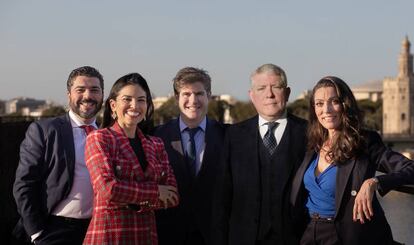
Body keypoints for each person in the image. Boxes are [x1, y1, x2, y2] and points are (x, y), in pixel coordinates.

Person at [290, 76, 414, 245]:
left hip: (345, 235)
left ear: (345, 105)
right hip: (309, 232)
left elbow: (410, 168)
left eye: (334, 101)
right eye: (319, 103)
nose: (326, 110)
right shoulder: (312, 144)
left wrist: (375, 182)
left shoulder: (365, 142)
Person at [212, 64, 308, 245]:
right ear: (252, 95)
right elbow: (222, 198)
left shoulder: (309, 134)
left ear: (287, 93)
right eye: (261, 88)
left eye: (276, 87)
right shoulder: (234, 135)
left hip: (296, 238)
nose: (269, 94)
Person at [83, 73, 179, 245]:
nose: (135, 105)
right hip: (110, 236)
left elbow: (172, 195)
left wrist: (127, 198)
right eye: (127, 99)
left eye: (141, 100)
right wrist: (156, 192)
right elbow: (108, 190)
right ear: (113, 105)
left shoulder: (156, 144)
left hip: (146, 236)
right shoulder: (99, 138)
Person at [13, 66, 104, 244]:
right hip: (55, 230)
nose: (88, 96)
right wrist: (37, 233)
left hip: (98, 229)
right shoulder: (44, 130)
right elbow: (24, 184)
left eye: (95, 90)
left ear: (102, 95)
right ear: (69, 94)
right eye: (80, 90)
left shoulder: (108, 134)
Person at [154, 67, 226, 245]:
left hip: (215, 235)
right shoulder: (157, 137)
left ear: (209, 95)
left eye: (199, 93)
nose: (193, 100)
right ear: (177, 97)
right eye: (186, 94)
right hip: (168, 234)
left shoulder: (228, 136)